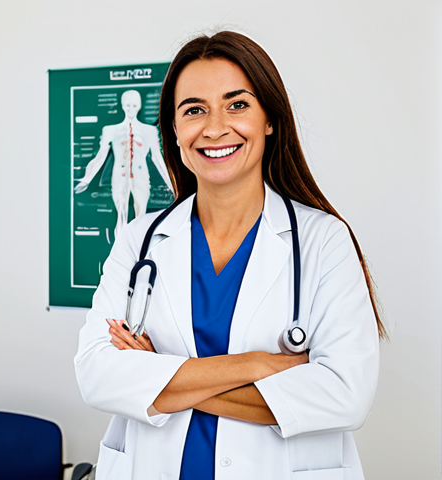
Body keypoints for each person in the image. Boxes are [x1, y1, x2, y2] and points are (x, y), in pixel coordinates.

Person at [74, 31, 384, 480]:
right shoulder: (138, 240)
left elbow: (344, 396)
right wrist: (256, 366)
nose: (215, 127)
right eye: (194, 110)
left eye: (237, 104)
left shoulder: (324, 242)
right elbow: (98, 376)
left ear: (269, 119)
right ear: (175, 130)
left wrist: (157, 374)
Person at [75, 90, 172, 236]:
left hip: (141, 175)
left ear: (138, 106)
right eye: (128, 105)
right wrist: (86, 179)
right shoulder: (111, 130)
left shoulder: (149, 131)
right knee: (120, 216)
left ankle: (139, 254)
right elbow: (100, 156)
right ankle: (120, 255)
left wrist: (171, 184)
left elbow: (157, 159)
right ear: (122, 106)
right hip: (119, 175)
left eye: (134, 105)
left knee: (141, 217)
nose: (131, 109)